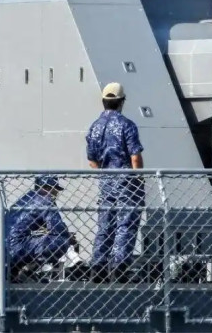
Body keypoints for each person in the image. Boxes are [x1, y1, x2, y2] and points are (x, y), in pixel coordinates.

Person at [86, 82, 145, 282]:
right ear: (122, 101)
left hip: (106, 181)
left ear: (104, 101)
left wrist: (105, 174)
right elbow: (135, 157)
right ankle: (120, 268)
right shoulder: (126, 125)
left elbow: (92, 161)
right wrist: (138, 178)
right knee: (126, 223)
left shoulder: (94, 127)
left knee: (105, 224)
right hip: (126, 180)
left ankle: (98, 267)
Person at [5, 176, 75, 281]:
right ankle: (30, 270)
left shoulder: (27, 197)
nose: (56, 193)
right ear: (48, 188)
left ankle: (13, 273)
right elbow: (58, 228)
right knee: (61, 239)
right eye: (55, 189)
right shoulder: (45, 200)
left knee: (41, 238)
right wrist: (68, 236)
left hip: (3, 244)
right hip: (18, 245)